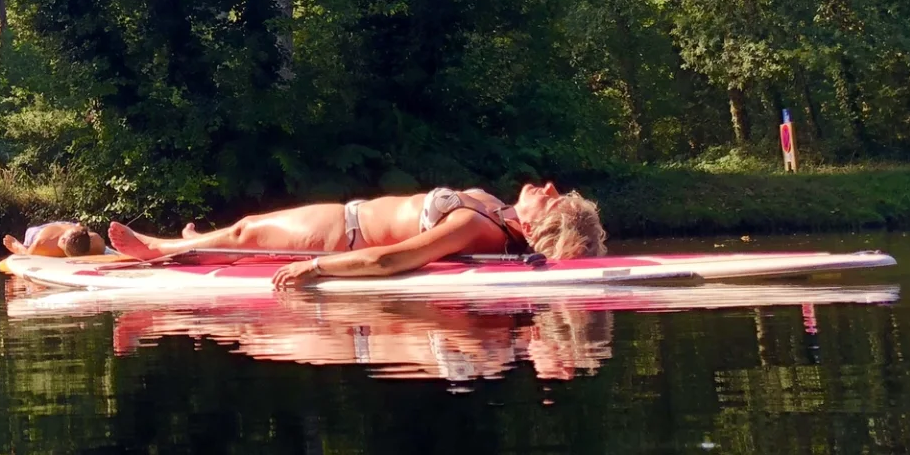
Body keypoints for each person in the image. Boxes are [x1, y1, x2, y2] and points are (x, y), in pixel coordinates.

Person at [105, 183, 606, 289]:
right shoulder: (496, 217)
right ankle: (185, 245)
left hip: (345, 235)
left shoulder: (476, 226)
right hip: (347, 221)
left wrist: (317, 267)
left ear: (544, 224)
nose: (547, 186)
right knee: (244, 234)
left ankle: (160, 250)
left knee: (248, 230)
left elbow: (393, 258)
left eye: (553, 197)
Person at [2, 221, 106, 258]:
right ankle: (17, 243)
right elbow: (28, 255)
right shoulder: (43, 243)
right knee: (30, 245)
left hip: (71, 229)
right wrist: (17, 246)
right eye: (63, 239)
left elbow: (81, 228)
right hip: (38, 232)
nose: (62, 239)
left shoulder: (96, 242)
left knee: (75, 230)